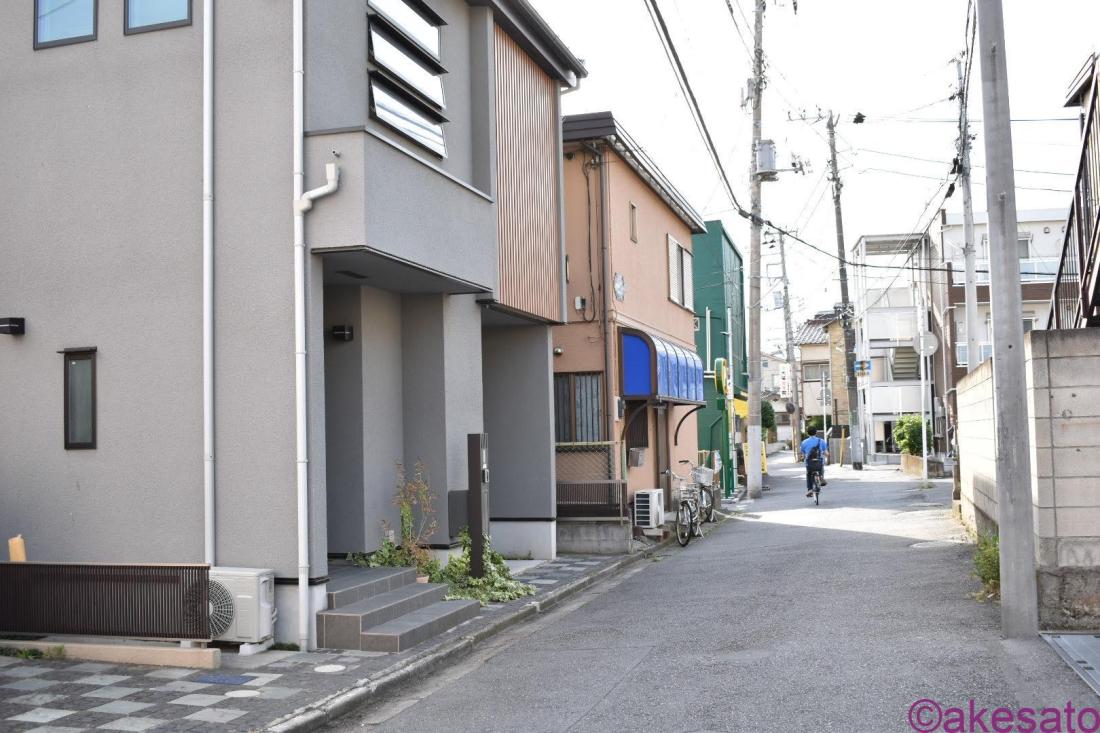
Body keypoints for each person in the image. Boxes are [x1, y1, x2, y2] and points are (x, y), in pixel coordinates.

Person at [800, 427, 829, 497]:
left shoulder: (804, 442)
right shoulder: (821, 441)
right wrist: (826, 455)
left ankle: (810, 489)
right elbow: (826, 454)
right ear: (816, 432)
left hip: (809, 463)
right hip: (819, 462)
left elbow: (803, 455)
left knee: (809, 474)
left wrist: (803, 457)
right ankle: (821, 477)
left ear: (807, 433)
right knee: (821, 468)